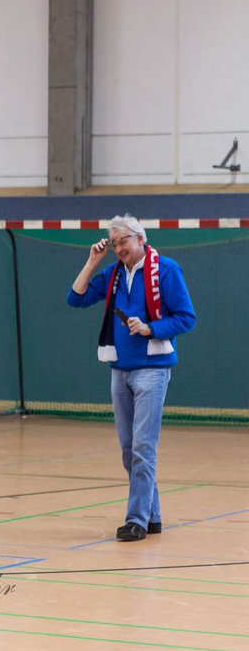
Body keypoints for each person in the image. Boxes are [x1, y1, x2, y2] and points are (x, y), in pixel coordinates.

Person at [68, 214, 196, 541]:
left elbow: (186, 318)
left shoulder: (166, 270)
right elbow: (76, 298)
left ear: (140, 238)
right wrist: (92, 261)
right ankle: (152, 517)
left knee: (142, 447)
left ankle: (136, 519)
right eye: (113, 243)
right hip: (120, 369)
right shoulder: (111, 274)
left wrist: (151, 328)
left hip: (152, 370)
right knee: (128, 448)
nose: (118, 248)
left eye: (123, 241)